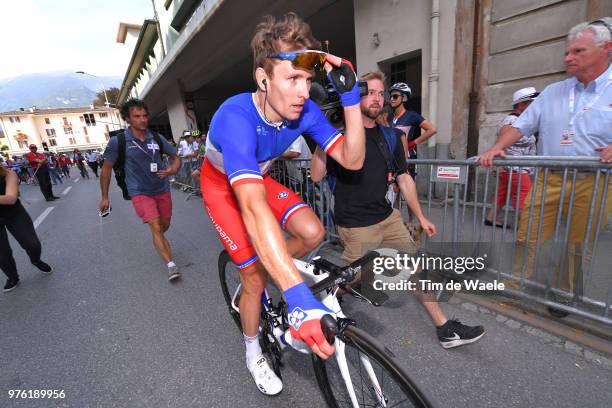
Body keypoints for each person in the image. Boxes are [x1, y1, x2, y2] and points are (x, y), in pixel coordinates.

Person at [200, 12, 364, 395]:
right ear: (263, 79)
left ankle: (264, 267)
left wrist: (351, 96)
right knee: (255, 278)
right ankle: (252, 349)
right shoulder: (235, 116)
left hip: (257, 179)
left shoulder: (303, 111)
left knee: (312, 231)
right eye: (292, 78)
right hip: (223, 188)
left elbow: (353, 159)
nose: (304, 91)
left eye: (308, 79)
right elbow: (253, 208)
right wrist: (297, 294)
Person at [311, 71, 486, 349]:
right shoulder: (340, 136)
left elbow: (403, 178)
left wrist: (420, 216)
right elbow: (317, 176)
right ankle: (324, 294)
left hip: (387, 217)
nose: (378, 98)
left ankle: (444, 329)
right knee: (354, 280)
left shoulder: (389, 136)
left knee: (416, 267)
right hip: (355, 224)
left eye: (382, 93)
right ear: (356, 97)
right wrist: (324, 138)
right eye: (371, 92)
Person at [480, 19, 612, 317]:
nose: (568, 57)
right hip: (549, 176)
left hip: (595, 180)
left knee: (579, 243)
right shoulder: (554, 91)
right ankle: (514, 284)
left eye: (578, 51)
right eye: (567, 51)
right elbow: (522, 125)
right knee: (528, 232)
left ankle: (564, 294)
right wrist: (498, 146)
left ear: (606, 49)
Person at [99, 99, 182, 282]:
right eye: (137, 116)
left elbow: (176, 157)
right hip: (139, 191)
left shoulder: (157, 138)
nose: (142, 120)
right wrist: (105, 197)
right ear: (128, 119)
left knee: (164, 225)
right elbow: (106, 170)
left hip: (162, 188)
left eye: (144, 116)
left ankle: (159, 238)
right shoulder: (118, 141)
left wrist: (173, 169)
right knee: (155, 226)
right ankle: (171, 265)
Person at [485, 87, 538, 227]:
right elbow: (502, 140)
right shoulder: (512, 121)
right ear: (522, 105)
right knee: (524, 194)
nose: (535, 106)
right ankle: (525, 226)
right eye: (532, 103)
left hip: (510, 167)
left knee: (503, 192)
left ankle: (491, 218)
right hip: (515, 167)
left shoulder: (520, 120)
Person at [1, 165, 53, 292]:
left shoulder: (9, 174)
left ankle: (36, 260)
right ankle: (12, 277)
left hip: (14, 213)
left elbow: (11, 198)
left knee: (32, 244)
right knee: (2, 254)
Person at [387, 82, 437, 179]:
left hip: (405, 158)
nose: (391, 99)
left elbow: (432, 129)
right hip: (391, 158)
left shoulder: (411, 115)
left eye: (395, 96)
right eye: (391, 96)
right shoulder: (389, 117)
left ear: (404, 98)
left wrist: (414, 142)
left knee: (405, 189)